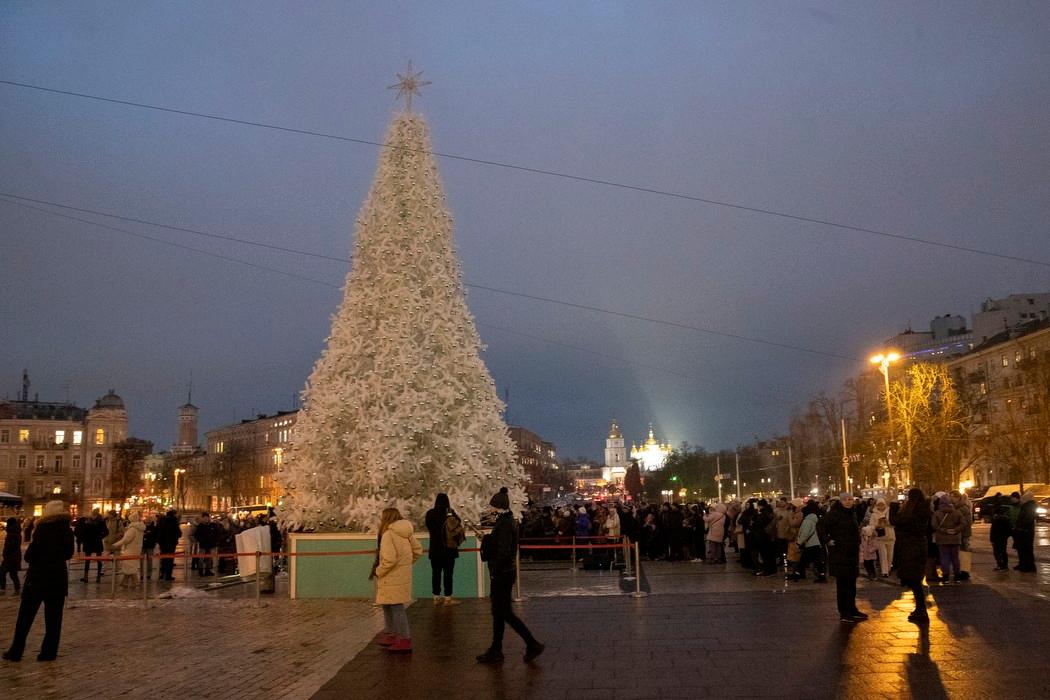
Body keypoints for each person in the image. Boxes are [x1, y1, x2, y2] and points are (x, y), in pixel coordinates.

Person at [477, 487, 544, 664]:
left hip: (502, 574)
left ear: (497, 506)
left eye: (492, 505)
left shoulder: (504, 524)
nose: (490, 509)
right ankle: (496, 648)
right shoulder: (507, 521)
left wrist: (495, 569)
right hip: (504, 572)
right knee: (498, 613)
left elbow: (504, 551)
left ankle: (531, 643)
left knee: (504, 613)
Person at [2, 500, 74, 661]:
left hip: (38, 579)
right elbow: (69, 553)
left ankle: (16, 650)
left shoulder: (43, 529)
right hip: (58, 579)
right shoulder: (67, 531)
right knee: (54, 619)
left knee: (25, 617)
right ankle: (49, 652)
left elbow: (30, 556)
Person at [370, 507, 421, 653]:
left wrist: (379, 571)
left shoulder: (388, 535)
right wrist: (406, 565)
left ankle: (403, 638)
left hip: (390, 576)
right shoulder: (407, 533)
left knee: (395, 608)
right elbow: (417, 550)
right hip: (401, 574)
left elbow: (389, 559)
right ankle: (393, 634)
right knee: (389, 604)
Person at [823, 493, 867, 623]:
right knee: (843, 584)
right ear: (840, 501)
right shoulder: (834, 514)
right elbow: (821, 527)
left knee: (851, 583)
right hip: (840, 553)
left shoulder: (851, 513)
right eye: (845, 500)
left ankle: (852, 609)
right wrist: (828, 540)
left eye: (850, 500)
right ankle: (844, 612)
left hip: (851, 553)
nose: (848, 502)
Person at [890, 488, 930, 623]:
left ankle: (921, 609)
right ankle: (920, 608)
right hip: (918, 547)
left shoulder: (912, 511)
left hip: (910, 548)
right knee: (915, 580)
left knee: (914, 580)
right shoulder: (923, 509)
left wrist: (894, 504)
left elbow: (895, 520)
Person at [424, 493, 462, 606]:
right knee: (448, 574)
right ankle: (447, 598)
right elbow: (458, 524)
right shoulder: (450, 513)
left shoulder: (430, 514)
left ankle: (436, 597)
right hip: (449, 550)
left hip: (435, 550)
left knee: (435, 574)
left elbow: (428, 526)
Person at [931, 494, 963, 584]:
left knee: (944, 558)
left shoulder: (937, 513)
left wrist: (944, 530)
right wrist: (955, 530)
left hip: (942, 539)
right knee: (955, 558)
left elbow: (934, 525)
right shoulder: (957, 512)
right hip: (955, 539)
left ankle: (946, 577)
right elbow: (963, 523)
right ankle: (957, 576)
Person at [111, 510, 145, 588]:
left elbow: (126, 539)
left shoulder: (133, 529)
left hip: (130, 549)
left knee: (129, 565)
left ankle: (135, 582)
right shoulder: (140, 527)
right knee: (129, 565)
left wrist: (115, 545)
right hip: (137, 549)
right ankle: (124, 582)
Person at [867, 498, 895, 578]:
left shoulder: (890, 512)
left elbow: (894, 523)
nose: (881, 506)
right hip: (880, 537)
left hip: (890, 536)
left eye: (882, 504)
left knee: (890, 555)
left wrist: (888, 523)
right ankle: (884, 571)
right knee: (883, 555)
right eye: (879, 505)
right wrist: (878, 525)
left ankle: (888, 569)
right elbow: (871, 525)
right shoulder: (874, 514)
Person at [79, 509, 107, 583]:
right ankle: (96, 577)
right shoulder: (100, 522)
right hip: (95, 543)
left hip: (90, 543)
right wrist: (100, 536)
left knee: (90, 560)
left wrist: (84, 539)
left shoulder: (89, 522)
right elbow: (106, 532)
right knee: (96, 560)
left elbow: (83, 532)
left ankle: (87, 577)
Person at [1012, 492, 1038, 572]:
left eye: (1023, 498)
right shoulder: (1028, 506)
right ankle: (1025, 565)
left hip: (1025, 532)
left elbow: (1027, 519)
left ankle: (1027, 566)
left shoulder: (1028, 507)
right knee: (1024, 549)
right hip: (1026, 531)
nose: (1022, 500)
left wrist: (1019, 525)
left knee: (1026, 549)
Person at [156, 510, 182, 581]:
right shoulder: (174, 521)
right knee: (170, 559)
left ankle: (162, 573)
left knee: (163, 558)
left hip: (163, 543)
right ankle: (168, 575)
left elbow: (158, 531)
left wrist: (159, 540)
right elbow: (179, 533)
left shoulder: (161, 521)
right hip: (171, 544)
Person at [1, 517, 22, 594]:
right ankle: (17, 589)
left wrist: (5, 554)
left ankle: (3, 589)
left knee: (3, 572)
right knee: (12, 574)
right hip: (14, 556)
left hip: (10, 557)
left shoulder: (12, 533)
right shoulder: (16, 532)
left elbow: (10, 546)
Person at [990, 504, 1012, 571]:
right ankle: (1002, 565)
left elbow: (993, 531)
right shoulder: (1002, 520)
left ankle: (1003, 565)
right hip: (1001, 539)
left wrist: (991, 539)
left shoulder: (997, 520)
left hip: (998, 539)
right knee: (1001, 552)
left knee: (999, 552)